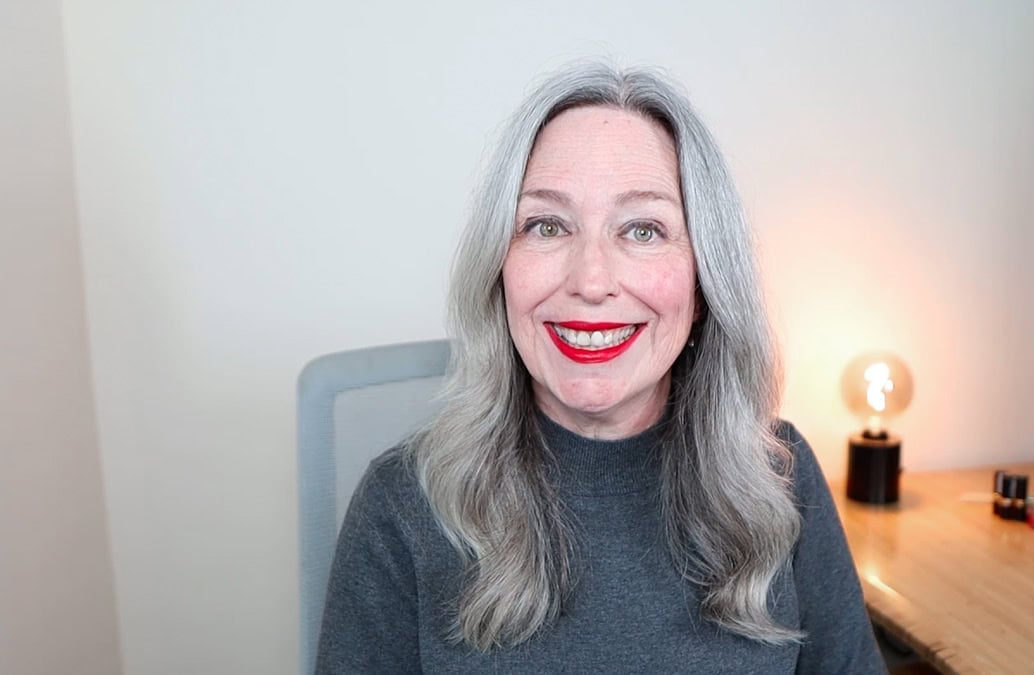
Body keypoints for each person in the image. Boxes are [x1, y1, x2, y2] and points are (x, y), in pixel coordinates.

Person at [316, 62, 886, 674]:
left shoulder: (779, 476)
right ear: (498, 272)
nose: (590, 281)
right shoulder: (402, 503)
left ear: (702, 284)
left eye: (643, 229)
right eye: (546, 225)